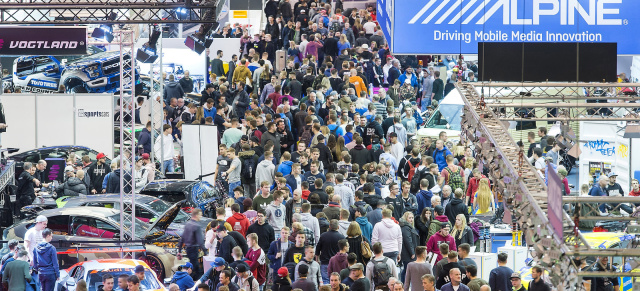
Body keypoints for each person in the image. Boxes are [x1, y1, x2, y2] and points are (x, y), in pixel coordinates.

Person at [178, 208, 205, 280]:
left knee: (193, 267)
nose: (201, 217)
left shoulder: (187, 224)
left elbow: (182, 238)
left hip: (188, 250)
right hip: (194, 250)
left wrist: (179, 251)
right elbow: (200, 241)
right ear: (196, 215)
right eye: (200, 215)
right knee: (196, 270)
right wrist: (206, 252)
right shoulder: (197, 226)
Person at [316, 219, 346, 284]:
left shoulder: (323, 236)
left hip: (325, 262)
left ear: (329, 226)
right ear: (338, 227)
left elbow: (318, 249)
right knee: (336, 281)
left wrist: (317, 259)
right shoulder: (341, 237)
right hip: (337, 263)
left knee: (326, 281)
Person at [399, 211, 419, 282]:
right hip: (407, 253)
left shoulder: (408, 227)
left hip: (408, 252)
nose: (411, 219)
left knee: (406, 270)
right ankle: (404, 285)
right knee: (406, 270)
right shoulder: (406, 228)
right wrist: (412, 252)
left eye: (412, 218)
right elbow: (408, 241)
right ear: (405, 218)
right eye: (409, 218)